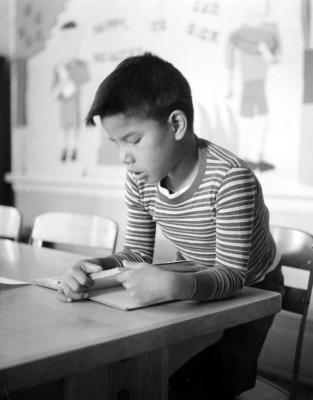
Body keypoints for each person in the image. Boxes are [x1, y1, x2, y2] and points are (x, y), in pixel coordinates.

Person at [58, 53, 284, 399]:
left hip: (253, 288)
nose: (124, 157)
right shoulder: (140, 178)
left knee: (200, 385)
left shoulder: (230, 178)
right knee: (144, 373)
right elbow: (136, 253)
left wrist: (175, 284)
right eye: (115, 143)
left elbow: (232, 276)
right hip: (195, 276)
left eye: (133, 140)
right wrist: (95, 268)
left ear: (176, 125)